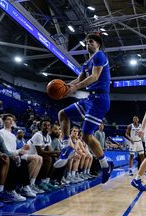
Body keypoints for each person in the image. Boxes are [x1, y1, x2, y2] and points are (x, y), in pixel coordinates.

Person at [53, 33, 113, 183]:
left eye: (91, 42)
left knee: (86, 136)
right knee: (63, 114)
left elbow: (94, 77)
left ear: (98, 44)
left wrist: (75, 88)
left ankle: (105, 165)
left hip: (100, 99)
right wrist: (66, 87)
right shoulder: (87, 63)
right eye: (86, 42)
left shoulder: (100, 56)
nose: (88, 44)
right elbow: (79, 79)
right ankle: (67, 146)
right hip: (89, 98)